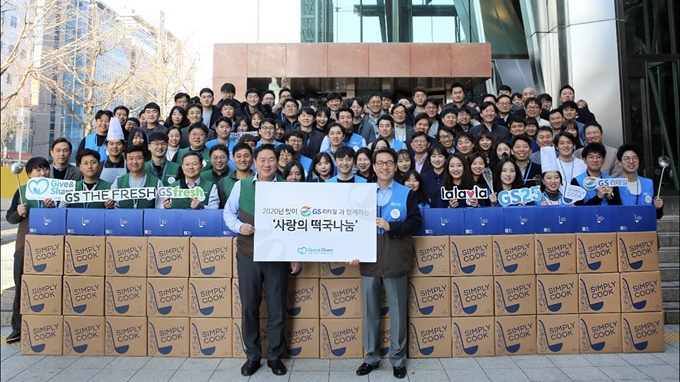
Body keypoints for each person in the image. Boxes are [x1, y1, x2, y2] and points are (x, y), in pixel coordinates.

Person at [223, 144, 301, 377]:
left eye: (271, 160)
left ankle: (275, 356)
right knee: (249, 307)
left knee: (277, 308)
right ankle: (253, 356)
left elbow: (298, 222)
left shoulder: (288, 188)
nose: (267, 164)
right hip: (248, 255)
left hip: (277, 257)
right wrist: (239, 226)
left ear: (278, 163)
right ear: (254, 162)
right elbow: (228, 213)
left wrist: (295, 254)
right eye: (262, 160)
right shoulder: (242, 185)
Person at [349, 148, 422, 380]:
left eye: (389, 163)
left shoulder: (406, 193)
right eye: (380, 163)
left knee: (398, 310)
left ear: (395, 165)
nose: (384, 167)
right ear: (373, 166)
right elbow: (351, 224)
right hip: (369, 257)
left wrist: (393, 227)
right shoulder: (362, 192)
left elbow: (415, 223)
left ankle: (398, 359)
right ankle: (371, 357)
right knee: (370, 310)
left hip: (394, 256)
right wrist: (352, 249)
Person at [5, 157, 55, 344]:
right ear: (29, 174)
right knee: (21, 286)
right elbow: (10, 217)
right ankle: (17, 328)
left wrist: (54, 207)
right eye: (37, 170)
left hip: (51, 247)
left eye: (45, 169)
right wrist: (18, 212)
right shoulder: (22, 191)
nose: (42, 173)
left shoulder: (58, 191)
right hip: (24, 247)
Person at [616, 144, 664, 219]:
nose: (631, 161)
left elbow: (658, 216)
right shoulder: (614, 184)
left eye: (635, 158)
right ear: (619, 163)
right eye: (627, 158)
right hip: (623, 228)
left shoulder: (649, 183)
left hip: (646, 228)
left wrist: (659, 207)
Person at [201, 144, 231, 208]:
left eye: (222, 157)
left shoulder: (234, 176)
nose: (219, 160)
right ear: (210, 159)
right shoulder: (202, 176)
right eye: (215, 158)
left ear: (228, 158)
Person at [99, 117, 127, 183]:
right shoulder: (99, 166)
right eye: (111, 144)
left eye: (118, 143)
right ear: (106, 146)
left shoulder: (130, 165)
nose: (115, 147)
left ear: (124, 146)